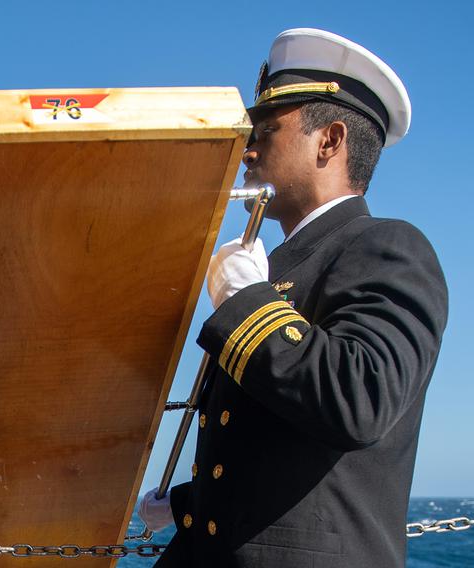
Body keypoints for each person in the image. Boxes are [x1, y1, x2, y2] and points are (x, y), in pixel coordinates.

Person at [139, 28, 448, 567]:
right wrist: (187, 506)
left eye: (266, 130)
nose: (247, 147)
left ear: (329, 140)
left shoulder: (387, 246)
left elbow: (359, 400)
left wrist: (246, 299)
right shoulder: (277, 264)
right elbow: (269, 448)